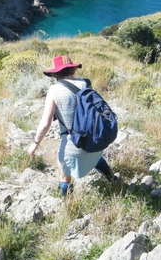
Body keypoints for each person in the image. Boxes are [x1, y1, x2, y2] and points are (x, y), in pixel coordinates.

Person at [28, 55, 117, 198]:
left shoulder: (54, 90)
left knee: (65, 176)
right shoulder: (86, 83)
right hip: (95, 142)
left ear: (55, 73)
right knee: (96, 158)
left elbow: (45, 123)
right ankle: (113, 179)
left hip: (73, 147)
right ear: (73, 69)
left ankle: (68, 203)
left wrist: (35, 143)